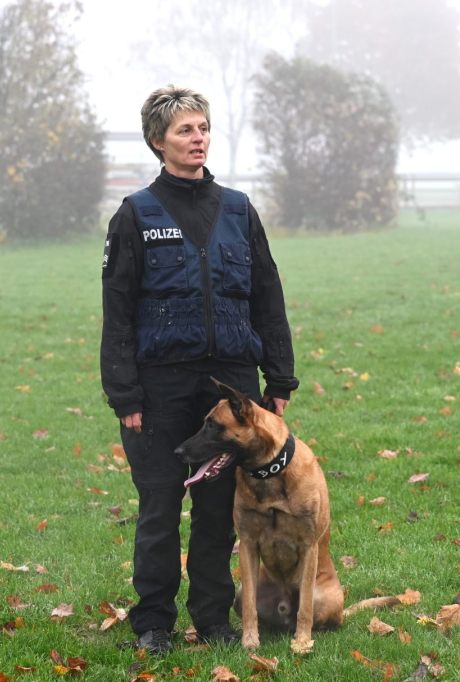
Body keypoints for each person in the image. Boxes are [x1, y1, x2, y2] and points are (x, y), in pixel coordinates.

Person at [100, 85, 299, 655]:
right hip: (160, 390)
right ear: (158, 140)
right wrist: (125, 395)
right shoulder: (136, 214)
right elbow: (117, 310)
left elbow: (267, 296)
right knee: (160, 506)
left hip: (233, 388)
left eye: (204, 128)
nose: (198, 138)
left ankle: (213, 618)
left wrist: (278, 381)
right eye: (186, 130)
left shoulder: (238, 210)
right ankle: (153, 622)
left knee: (219, 513)